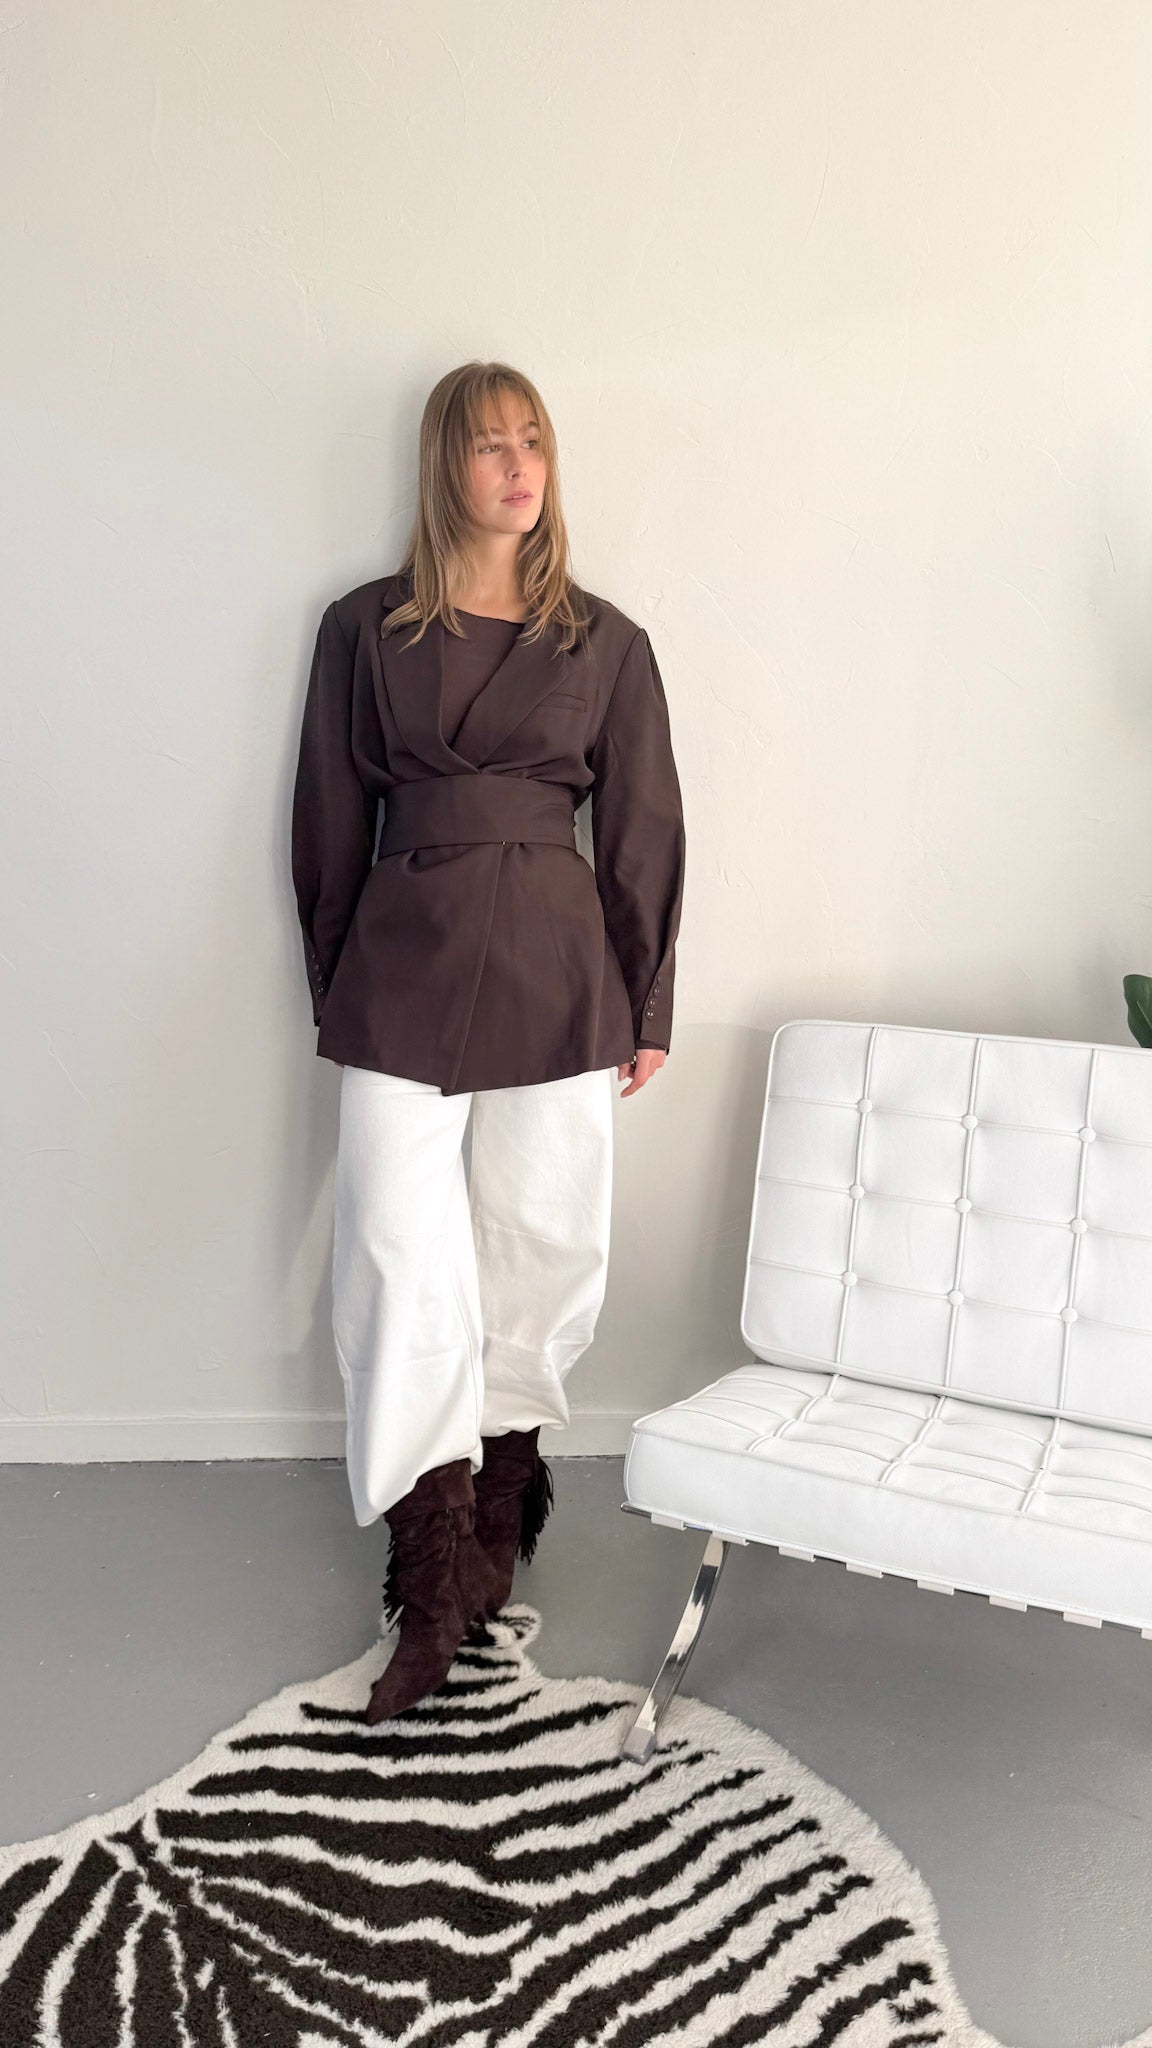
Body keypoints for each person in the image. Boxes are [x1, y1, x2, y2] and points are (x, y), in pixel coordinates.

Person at [290, 360, 686, 1721]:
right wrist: (334, 978)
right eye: (488, 444)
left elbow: (642, 830)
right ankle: (432, 1564)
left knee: (541, 1235)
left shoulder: (605, 643)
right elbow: (327, 817)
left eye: (534, 441)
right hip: (401, 963)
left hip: (559, 969)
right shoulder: (362, 630)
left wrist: (647, 1002)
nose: (518, 467)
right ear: (443, 465)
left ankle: (503, 1498)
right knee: (392, 1252)